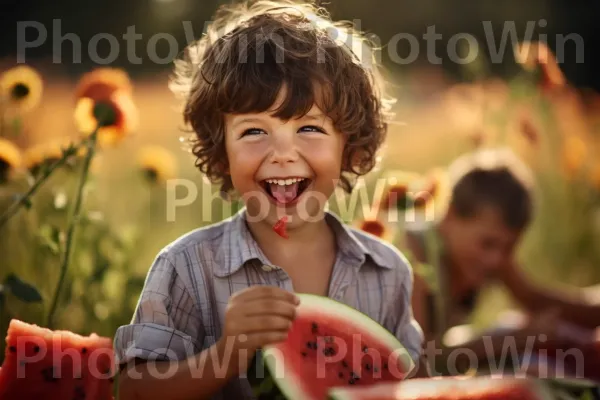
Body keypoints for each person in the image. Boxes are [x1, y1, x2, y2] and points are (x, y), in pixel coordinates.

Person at [113, 1, 426, 399]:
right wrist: (225, 356)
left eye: (309, 127)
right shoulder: (186, 268)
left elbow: (409, 384)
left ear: (350, 148)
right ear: (221, 152)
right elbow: (131, 388)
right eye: (253, 132)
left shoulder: (386, 272)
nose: (282, 154)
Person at [405, 148, 600, 376]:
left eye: (509, 247)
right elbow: (418, 361)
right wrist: (515, 338)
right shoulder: (415, 256)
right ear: (450, 216)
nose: (496, 259)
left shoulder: (488, 255)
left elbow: (536, 299)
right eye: (488, 243)